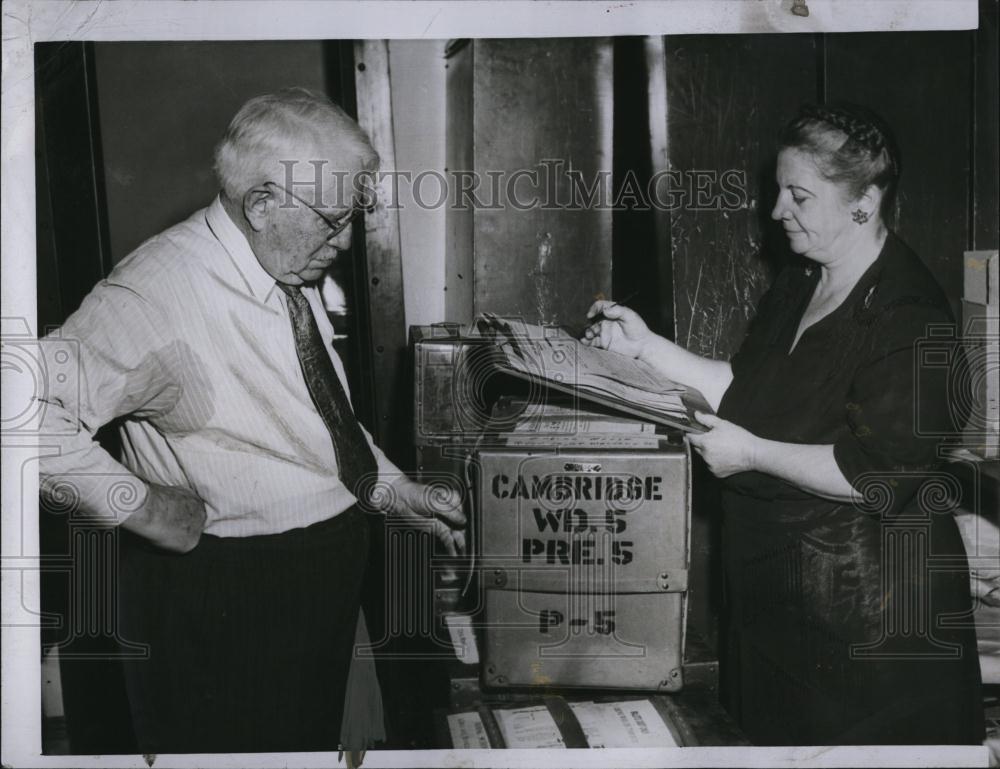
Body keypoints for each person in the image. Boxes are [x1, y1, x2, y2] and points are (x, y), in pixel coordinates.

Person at [38, 88, 465, 753]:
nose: (346, 240)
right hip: (223, 598)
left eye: (355, 215)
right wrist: (139, 503)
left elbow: (316, 420)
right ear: (262, 205)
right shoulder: (153, 292)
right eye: (333, 219)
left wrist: (391, 487)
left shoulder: (284, 265)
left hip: (315, 580)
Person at [584, 102, 984, 745]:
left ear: (865, 203)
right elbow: (751, 388)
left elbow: (876, 476)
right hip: (784, 597)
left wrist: (753, 455)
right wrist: (646, 347)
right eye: (779, 190)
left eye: (799, 195)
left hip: (866, 619)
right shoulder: (803, 280)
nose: (776, 211)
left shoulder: (910, 317)